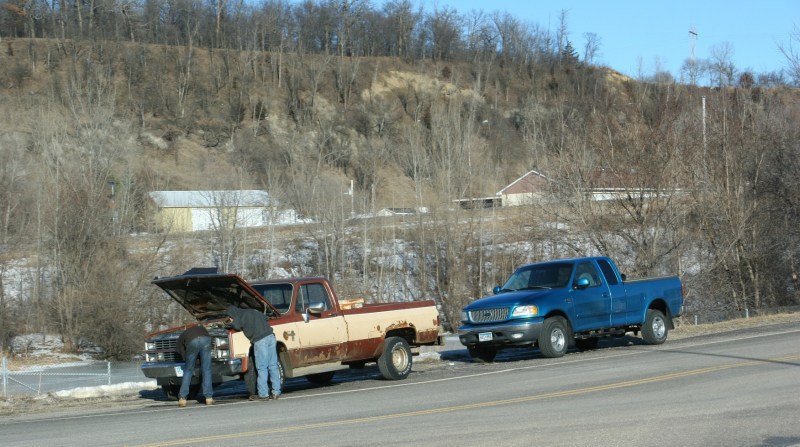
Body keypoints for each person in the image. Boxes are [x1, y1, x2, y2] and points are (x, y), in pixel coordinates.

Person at [225, 305, 282, 401]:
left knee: (262, 367)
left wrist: (231, 322)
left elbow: (237, 327)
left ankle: (263, 394)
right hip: (271, 337)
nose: (230, 318)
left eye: (230, 316)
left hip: (260, 341)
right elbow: (265, 318)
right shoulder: (253, 310)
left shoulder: (239, 316)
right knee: (273, 365)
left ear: (233, 314)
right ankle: (276, 392)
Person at [176, 324, 214, 407]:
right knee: (206, 370)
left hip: (192, 341)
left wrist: (185, 358)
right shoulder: (202, 328)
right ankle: (209, 398)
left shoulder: (184, 333)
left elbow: (179, 348)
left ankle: (182, 398)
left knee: (188, 371)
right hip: (206, 340)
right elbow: (209, 338)